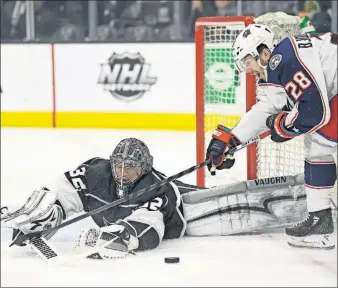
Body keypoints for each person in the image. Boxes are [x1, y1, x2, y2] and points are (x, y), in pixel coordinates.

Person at [1, 137, 310, 260]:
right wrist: (47, 216)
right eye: (118, 165)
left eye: (131, 167)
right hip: (159, 205)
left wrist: (122, 237)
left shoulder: (155, 186)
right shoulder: (96, 172)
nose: (122, 173)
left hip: (183, 216)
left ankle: (307, 197)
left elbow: (150, 229)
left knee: (238, 202)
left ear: (144, 168)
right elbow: (64, 192)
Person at [206, 22, 337, 249]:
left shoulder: (284, 57)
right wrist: (231, 139)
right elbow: (267, 107)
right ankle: (320, 221)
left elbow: (314, 113)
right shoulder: (277, 64)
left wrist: (282, 126)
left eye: (247, 61)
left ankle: (321, 221)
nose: (247, 69)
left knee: (319, 141)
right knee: (317, 146)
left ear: (264, 52)